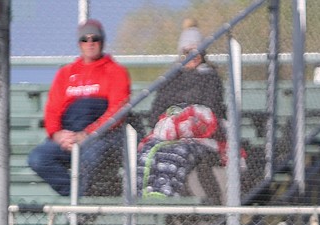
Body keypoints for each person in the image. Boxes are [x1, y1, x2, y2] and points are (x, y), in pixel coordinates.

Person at [27, 18, 130, 198]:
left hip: (101, 136)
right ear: (79, 43)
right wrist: (58, 135)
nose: (90, 43)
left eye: (94, 39)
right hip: (69, 135)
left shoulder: (116, 71)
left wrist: (88, 134)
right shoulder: (66, 73)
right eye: (85, 39)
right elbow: (52, 111)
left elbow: (117, 112)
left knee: (90, 156)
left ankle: (80, 208)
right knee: (38, 158)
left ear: (102, 42)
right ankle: (78, 200)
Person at [137, 19, 233, 203]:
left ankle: (169, 199)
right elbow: (156, 111)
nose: (193, 56)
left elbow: (211, 111)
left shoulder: (210, 78)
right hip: (169, 133)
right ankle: (147, 198)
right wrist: (174, 119)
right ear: (182, 53)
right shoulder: (171, 78)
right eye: (188, 52)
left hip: (200, 136)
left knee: (178, 154)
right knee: (148, 152)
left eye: (197, 51)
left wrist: (185, 118)